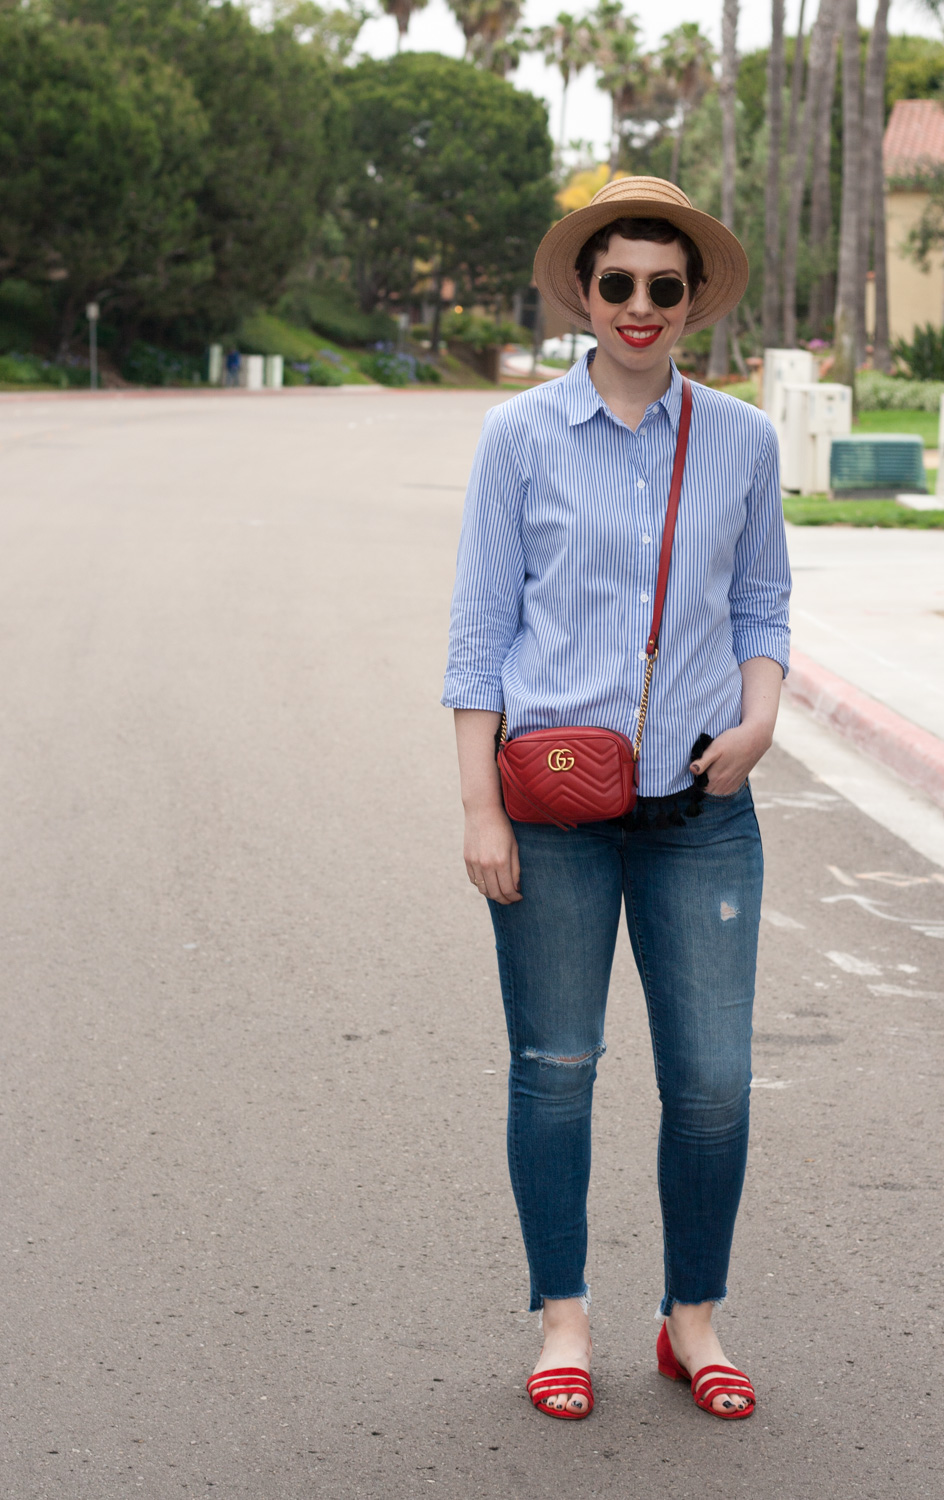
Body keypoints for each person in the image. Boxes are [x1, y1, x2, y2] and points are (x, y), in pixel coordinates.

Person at [442, 178, 790, 1424]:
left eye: (663, 286)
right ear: (582, 296)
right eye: (615, 285)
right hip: (551, 815)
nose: (638, 307)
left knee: (710, 1083)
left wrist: (759, 721)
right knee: (555, 1066)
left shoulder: (742, 441)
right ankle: (564, 1318)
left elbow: (760, 606)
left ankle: (690, 1318)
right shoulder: (520, 439)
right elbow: (481, 633)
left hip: (704, 810)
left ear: (693, 302)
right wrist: (481, 809)